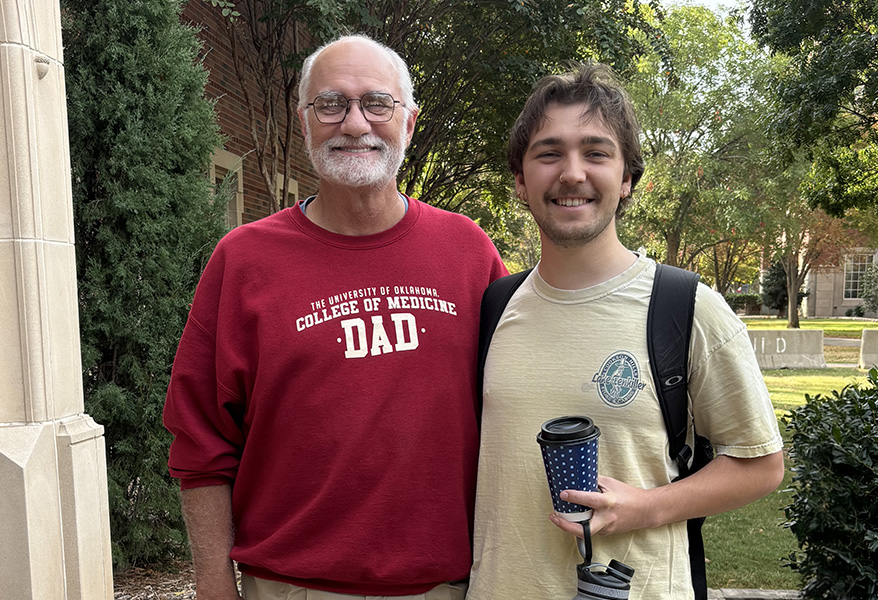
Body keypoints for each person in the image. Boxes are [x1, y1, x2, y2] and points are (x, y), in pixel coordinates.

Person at [163, 34, 507, 600]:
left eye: (377, 103)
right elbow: (200, 440)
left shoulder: (469, 252)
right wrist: (213, 582)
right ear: (304, 122)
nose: (354, 123)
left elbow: (512, 409)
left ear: (410, 123)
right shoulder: (244, 261)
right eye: (331, 104)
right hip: (289, 586)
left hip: (444, 587)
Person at [466, 64, 784, 600]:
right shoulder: (496, 307)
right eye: (549, 153)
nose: (571, 173)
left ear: (627, 177)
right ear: (520, 181)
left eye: (596, 152)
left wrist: (645, 506)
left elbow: (761, 465)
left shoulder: (686, 309)